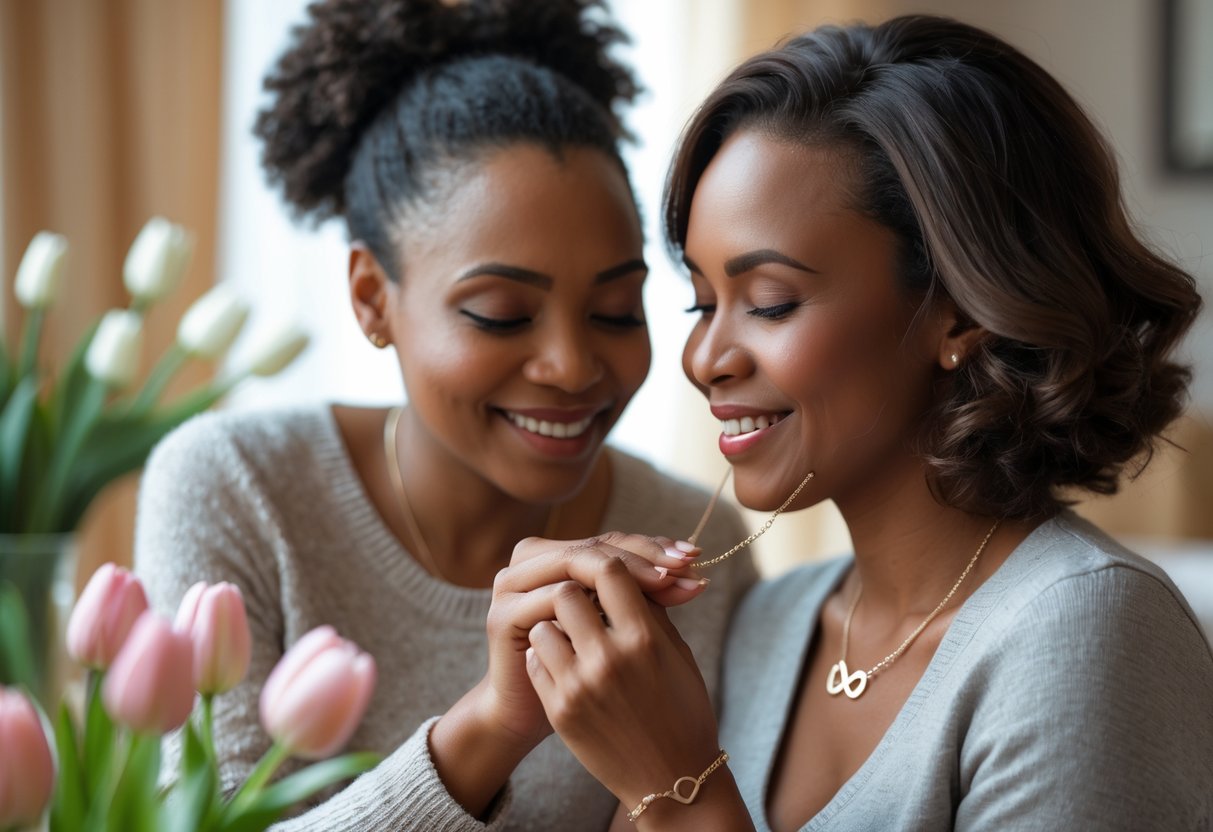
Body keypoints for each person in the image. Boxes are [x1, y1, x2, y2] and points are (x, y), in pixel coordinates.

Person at [518, 15, 1213, 830]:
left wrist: (679, 786)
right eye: (701, 302)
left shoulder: (1086, 629)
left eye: (769, 302)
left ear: (956, 314)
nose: (705, 358)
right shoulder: (772, 622)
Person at [133, 1, 756, 829]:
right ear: (370, 299)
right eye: (500, 313)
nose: (572, 366)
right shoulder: (236, 486)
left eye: (615, 310)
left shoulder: (690, 544)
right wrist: (493, 724)